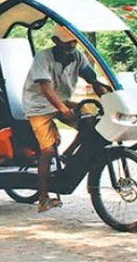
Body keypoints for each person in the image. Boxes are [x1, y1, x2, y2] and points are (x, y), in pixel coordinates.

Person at [22, 25, 109, 213]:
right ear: (55, 41)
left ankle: (68, 154)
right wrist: (61, 108)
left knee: (91, 122)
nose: (71, 45)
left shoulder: (77, 56)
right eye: (66, 42)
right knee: (47, 150)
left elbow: (93, 81)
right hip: (38, 105)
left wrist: (110, 100)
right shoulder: (43, 57)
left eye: (73, 42)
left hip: (62, 101)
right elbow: (45, 87)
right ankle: (43, 198)